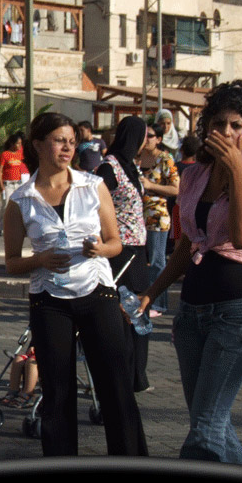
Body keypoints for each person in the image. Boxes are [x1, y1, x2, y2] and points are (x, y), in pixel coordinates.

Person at [140, 80, 242, 464]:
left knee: (205, 428)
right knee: (211, 421)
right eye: (219, 124)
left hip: (236, 311)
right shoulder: (194, 175)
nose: (227, 132)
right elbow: (187, 244)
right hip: (191, 312)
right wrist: (152, 292)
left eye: (236, 125)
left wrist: (236, 172)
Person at [3, 111, 147, 457]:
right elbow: (11, 262)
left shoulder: (92, 185)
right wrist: (39, 259)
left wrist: (100, 249)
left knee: (115, 385)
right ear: (38, 144)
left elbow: (116, 242)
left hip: (97, 290)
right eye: (59, 141)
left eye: (71, 141)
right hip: (49, 299)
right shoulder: (21, 199)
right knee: (57, 391)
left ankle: (131, 463)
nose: (67, 148)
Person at [95, 116, 152, 393]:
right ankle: (123, 374)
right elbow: (95, 201)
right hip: (121, 250)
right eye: (144, 136)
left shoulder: (131, 167)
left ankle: (138, 374)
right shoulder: (110, 167)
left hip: (138, 249)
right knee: (124, 313)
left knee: (139, 311)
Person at [139, 123, 179, 316]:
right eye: (144, 135)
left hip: (156, 216)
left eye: (151, 135)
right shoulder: (137, 157)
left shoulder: (165, 159)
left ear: (159, 139)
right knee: (141, 261)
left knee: (157, 261)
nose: (146, 139)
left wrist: (151, 186)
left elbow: (176, 189)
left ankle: (159, 304)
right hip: (136, 217)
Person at [0, 131, 28, 236]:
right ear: (12, 144)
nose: (20, 145)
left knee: (20, 207)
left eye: (20, 143)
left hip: (18, 184)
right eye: (18, 143)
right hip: (8, 184)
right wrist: (1, 185)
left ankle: (19, 228)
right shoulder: (5, 155)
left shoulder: (20, 155)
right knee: (6, 206)